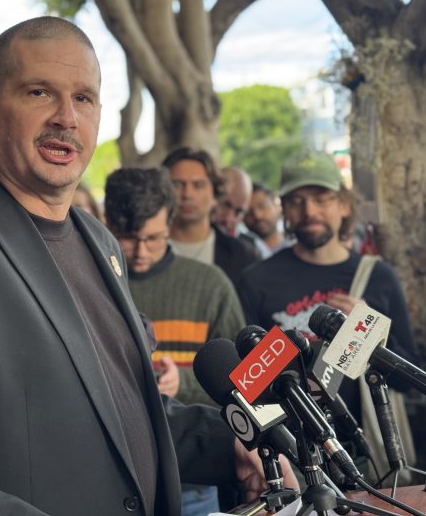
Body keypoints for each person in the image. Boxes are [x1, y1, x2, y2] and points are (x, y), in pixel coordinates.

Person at [0, 17, 287, 515]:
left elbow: (123, 414)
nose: (66, 118)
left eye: (84, 98)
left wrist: (230, 445)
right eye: (38, 93)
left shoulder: (100, 242)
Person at [104, 166, 247, 516]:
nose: (140, 251)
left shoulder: (211, 286)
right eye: (127, 237)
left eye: (153, 238)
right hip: (111, 483)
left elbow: (246, 386)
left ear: (170, 223)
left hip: (193, 487)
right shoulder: (91, 283)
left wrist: (182, 384)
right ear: (105, 223)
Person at [236, 150, 419, 421]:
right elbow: (247, 385)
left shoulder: (378, 277)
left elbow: (410, 381)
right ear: (284, 208)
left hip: (364, 450)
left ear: (344, 204)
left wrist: (369, 332)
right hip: (290, 449)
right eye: (297, 201)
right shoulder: (255, 280)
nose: (310, 211)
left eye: (322, 199)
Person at [162, 148, 259, 287]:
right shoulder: (142, 249)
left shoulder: (243, 256)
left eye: (198, 185)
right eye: (177, 184)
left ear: (215, 194)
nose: (187, 194)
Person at [244, 183, 291, 255]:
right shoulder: (239, 255)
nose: (257, 215)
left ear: (277, 206)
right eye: (248, 211)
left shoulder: (298, 250)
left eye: (262, 206)